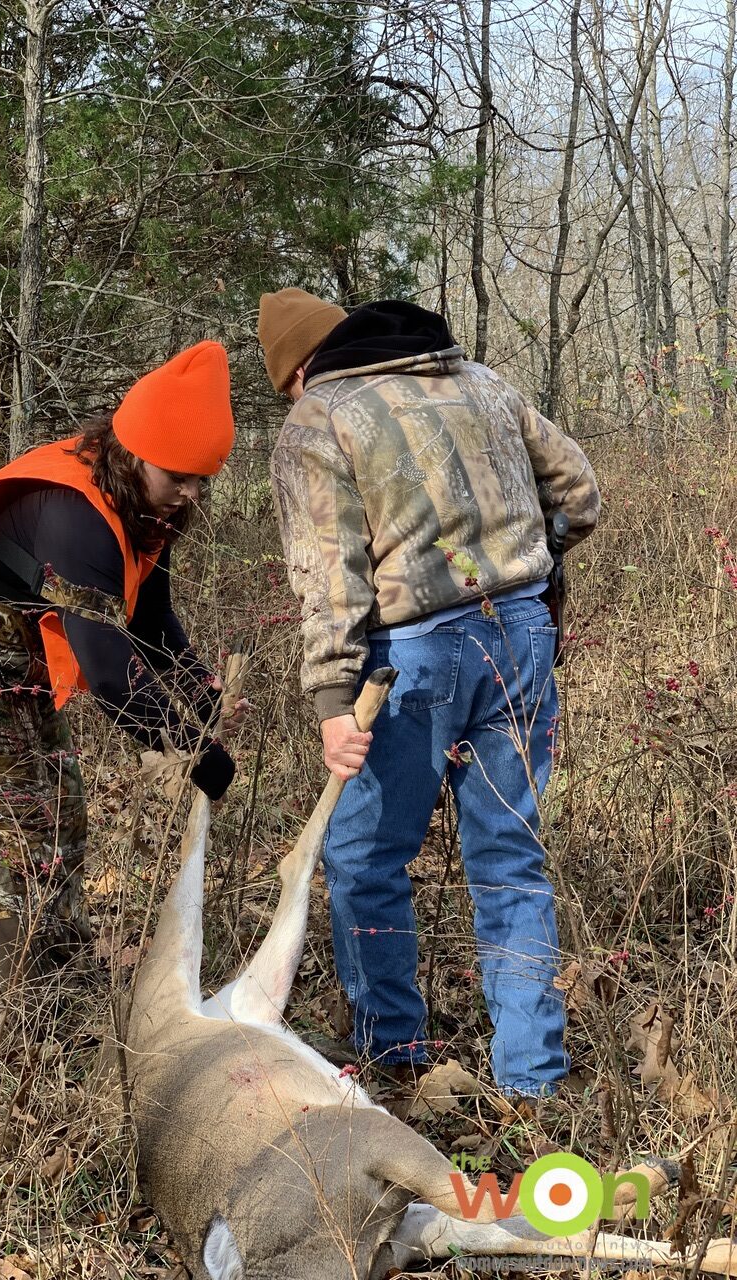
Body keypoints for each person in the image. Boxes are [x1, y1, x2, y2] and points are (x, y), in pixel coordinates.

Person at [257, 290, 600, 1098]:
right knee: (510, 863)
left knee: (364, 861)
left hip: (406, 660)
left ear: (303, 369)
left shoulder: (320, 417)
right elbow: (581, 495)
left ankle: (396, 1062)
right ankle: (533, 1082)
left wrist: (333, 702)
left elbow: (327, 575)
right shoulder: (484, 382)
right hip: (520, 638)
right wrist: (531, 568)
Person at [0, 340, 245, 1003]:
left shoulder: (146, 501)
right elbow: (109, 671)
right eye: (180, 477)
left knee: (61, 811)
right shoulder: (77, 514)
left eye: (202, 480)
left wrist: (198, 690)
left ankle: (66, 975)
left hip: (10, 655)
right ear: (135, 454)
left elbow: (148, 608)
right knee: (14, 827)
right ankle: (27, 1014)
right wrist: (196, 752)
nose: (191, 494)